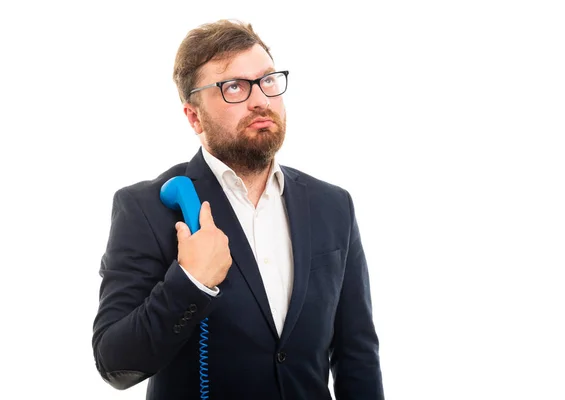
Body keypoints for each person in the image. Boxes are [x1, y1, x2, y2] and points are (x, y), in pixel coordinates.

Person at [92, 19, 384, 400]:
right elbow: (115, 363)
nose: (260, 99)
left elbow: (356, 354)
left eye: (267, 80)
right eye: (233, 87)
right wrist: (191, 281)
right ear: (194, 117)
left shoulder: (333, 205)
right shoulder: (145, 208)